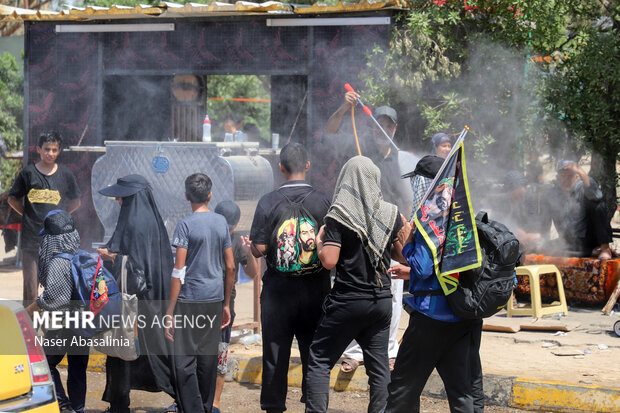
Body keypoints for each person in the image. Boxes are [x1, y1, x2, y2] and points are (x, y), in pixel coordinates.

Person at [305, 156, 404, 413]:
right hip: (381, 301)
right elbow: (400, 255)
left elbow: (329, 261)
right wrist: (406, 233)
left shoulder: (339, 215)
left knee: (319, 359)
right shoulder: (390, 213)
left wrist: (319, 240)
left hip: (348, 300)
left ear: (346, 180)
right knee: (379, 366)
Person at [386, 155, 481, 413]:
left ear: (426, 184)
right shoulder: (459, 210)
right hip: (460, 315)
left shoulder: (433, 214)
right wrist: (412, 275)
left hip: (432, 316)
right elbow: (447, 265)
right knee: (462, 393)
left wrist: (406, 242)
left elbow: (424, 266)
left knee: (403, 388)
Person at [326, 92, 411, 373]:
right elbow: (329, 133)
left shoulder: (402, 160)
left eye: (388, 126)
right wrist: (343, 107)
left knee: (394, 293)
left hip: (393, 234)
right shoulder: (363, 154)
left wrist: (407, 230)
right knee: (355, 290)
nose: (382, 130)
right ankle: (353, 351)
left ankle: (387, 350)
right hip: (362, 233)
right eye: (378, 126)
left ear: (394, 129)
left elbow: (408, 200)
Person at [250, 143, 331, 413]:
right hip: (315, 290)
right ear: (307, 166)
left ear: (280, 168)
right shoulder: (322, 200)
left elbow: (260, 249)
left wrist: (248, 246)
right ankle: (314, 405)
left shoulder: (267, 201)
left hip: (278, 293)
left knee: (275, 351)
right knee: (314, 353)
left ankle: (274, 406)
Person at [96, 174, 175, 413]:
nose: (118, 201)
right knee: (156, 350)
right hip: (155, 298)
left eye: (121, 197)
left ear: (131, 199)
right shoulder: (153, 220)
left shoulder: (131, 223)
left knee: (121, 352)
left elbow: (134, 265)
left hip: (133, 301)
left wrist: (110, 257)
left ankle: (120, 404)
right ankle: (183, 397)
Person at [164, 173, 236, 413]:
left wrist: (170, 311)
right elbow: (230, 266)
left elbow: (178, 270)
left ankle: (192, 409)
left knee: (184, 361)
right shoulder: (221, 223)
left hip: (189, 301)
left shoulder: (185, 225)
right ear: (210, 195)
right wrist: (226, 304)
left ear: (186, 196)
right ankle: (206, 407)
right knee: (207, 360)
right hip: (214, 299)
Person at [25, 210, 89, 413]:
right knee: (78, 368)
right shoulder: (80, 255)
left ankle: (63, 405)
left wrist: (35, 306)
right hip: (83, 323)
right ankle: (78, 409)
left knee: (45, 363)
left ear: (52, 238)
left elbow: (55, 299)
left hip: (63, 324)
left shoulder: (58, 262)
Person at [8, 131, 81, 303]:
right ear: (38, 150)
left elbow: (76, 201)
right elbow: (12, 199)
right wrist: (27, 215)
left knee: (56, 287)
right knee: (30, 289)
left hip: (57, 241)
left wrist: (61, 219)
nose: (50, 153)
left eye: (54, 150)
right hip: (31, 238)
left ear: (59, 151)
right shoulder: (28, 173)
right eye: (47, 149)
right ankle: (31, 326)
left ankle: (52, 328)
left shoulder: (66, 174)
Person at [213, 200, 260, 412]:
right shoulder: (207, 236)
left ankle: (214, 403)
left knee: (218, 355)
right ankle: (201, 401)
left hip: (223, 308)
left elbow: (252, 273)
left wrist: (250, 251)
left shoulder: (234, 242)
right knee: (210, 356)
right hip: (209, 305)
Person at [546, 160, 613, 259]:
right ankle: (591, 251)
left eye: (569, 177)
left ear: (576, 178)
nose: (565, 180)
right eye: (562, 176)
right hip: (567, 242)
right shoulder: (553, 193)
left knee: (598, 205)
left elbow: (597, 194)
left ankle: (604, 248)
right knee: (540, 247)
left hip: (586, 239)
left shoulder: (582, 187)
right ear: (557, 178)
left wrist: (580, 171)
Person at [501, 170, 551, 253]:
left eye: (523, 188)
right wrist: (516, 232)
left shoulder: (530, 198)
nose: (522, 192)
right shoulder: (501, 202)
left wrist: (530, 235)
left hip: (528, 241)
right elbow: (497, 223)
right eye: (517, 190)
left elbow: (534, 220)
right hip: (509, 243)